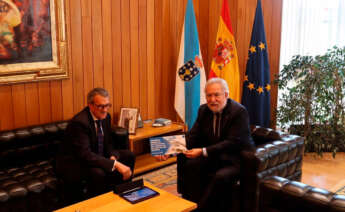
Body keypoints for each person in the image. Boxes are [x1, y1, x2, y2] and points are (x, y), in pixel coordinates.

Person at [159, 78, 254, 211]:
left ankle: (201, 208)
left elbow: (232, 143)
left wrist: (203, 151)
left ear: (226, 95)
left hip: (235, 158)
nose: (212, 99)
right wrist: (169, 150)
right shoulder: (204, 110)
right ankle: (188, 202)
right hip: (214, 155)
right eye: (209, 95)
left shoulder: (239, 112)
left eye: (216, 95)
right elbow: (193, 135)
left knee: (220, 177)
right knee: (190, 164)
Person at [57, 88, 135, 198]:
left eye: (108, 105)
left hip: (96, 155)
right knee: (98, 173)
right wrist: (115, 164)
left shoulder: (106, 117)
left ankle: (123, 192)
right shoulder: (79, 123)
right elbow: (85, 155)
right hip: (76, 162)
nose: (105, 110)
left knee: (129, 155)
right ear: (90, 105)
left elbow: (108, 143)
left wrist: (113, 157)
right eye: (101, 106)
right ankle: (101, 203)